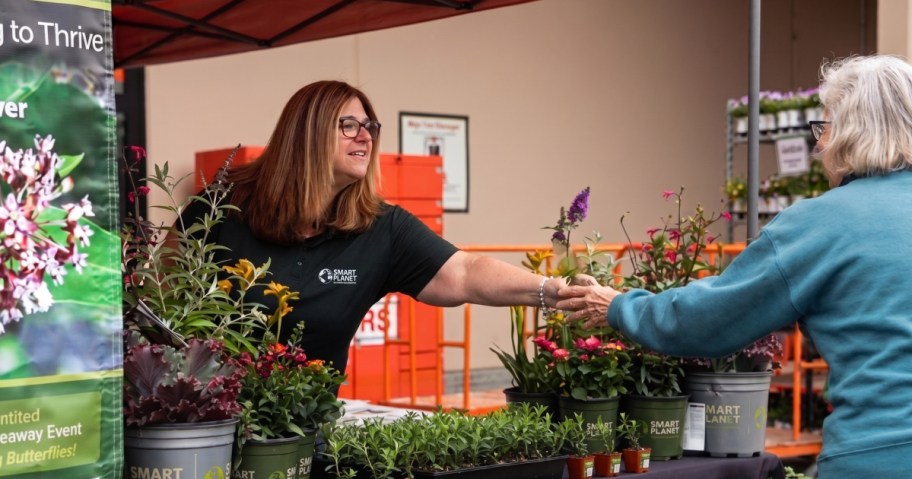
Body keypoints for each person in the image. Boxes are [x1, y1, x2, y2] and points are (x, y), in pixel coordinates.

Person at [557, 54, 912, 477]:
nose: (820, 147)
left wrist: (617, 306)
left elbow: (712, 319)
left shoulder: (824, 224)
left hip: (879, 455)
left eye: (825, 128)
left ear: (848, 133)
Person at [181, 80, 565, 373]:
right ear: (306, 134)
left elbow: (464, 272)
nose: (365, 136)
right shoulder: (221, 207)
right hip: (211, 422)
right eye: (348, 125)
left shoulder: (380, 227)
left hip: (305, 427)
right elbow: (161, 300)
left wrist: (552, 291)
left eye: (369, 126)